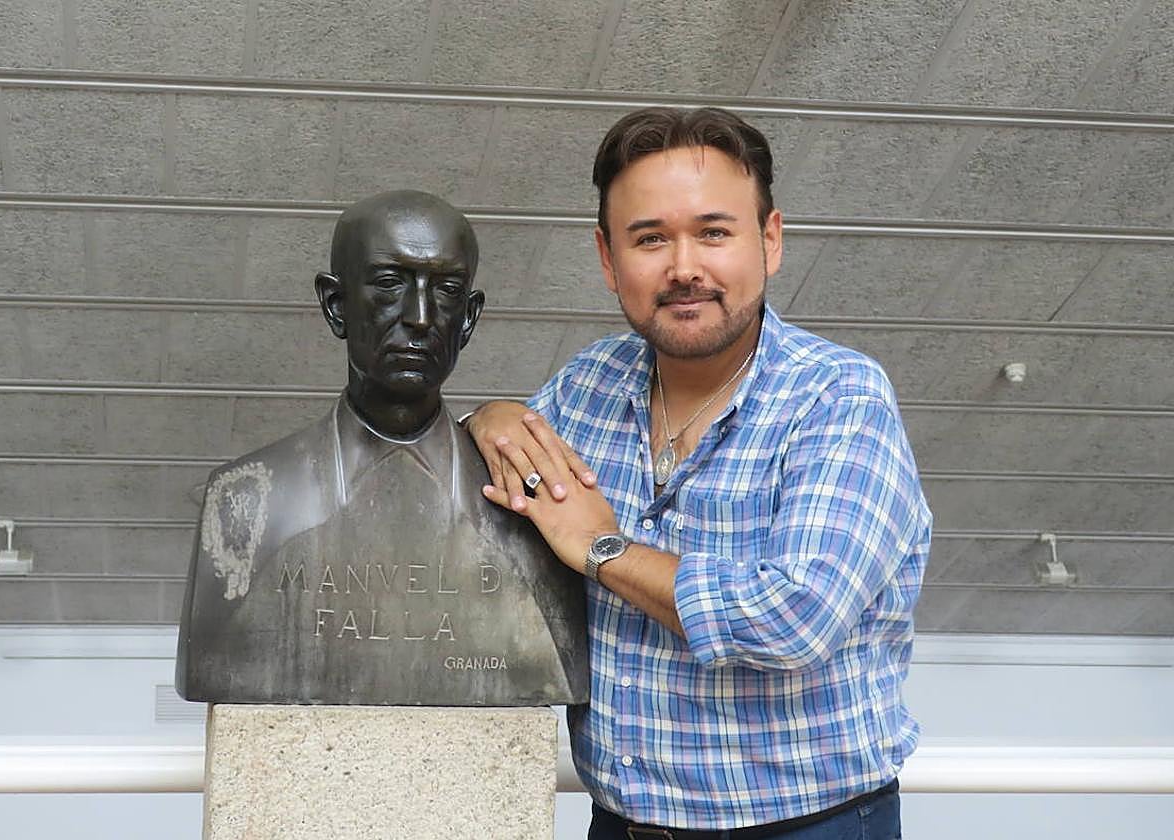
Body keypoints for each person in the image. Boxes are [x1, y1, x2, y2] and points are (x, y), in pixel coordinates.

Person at [467, 108, 930, 838]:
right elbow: (481, 482)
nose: (684, 267)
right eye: (650, 238)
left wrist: (603, 549)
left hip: (808, 826)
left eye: (714, 232)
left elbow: (794, 618)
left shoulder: (840, 396)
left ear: (770, 240)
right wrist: (487, 418)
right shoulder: (588, 383)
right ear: (608, 257)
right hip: (620, 824)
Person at [176, 190, 587, 707]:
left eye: (446, 289)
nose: (419, 316)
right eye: (390, 284)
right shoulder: (240, 502)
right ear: (336, 305)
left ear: (469, 318)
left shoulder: (533, 506)